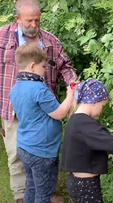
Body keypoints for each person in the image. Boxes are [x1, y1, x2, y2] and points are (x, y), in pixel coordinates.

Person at [0, 0, 77, 202]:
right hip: (12, 108)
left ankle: (41, 192)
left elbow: (65, 67)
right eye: (29, 21)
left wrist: (73, 84)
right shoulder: (2, 37)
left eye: (37, 20)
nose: (34, 25)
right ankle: (21, 195)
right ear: (17, 19)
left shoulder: (51, 41)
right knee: (16, 153)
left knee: (42, 153)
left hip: (44, 108)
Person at [9, 44, 76, 203]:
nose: (45, 69)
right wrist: (70, 95)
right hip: (41, 150)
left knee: (31, 184)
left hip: (24, 146)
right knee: (43, 193)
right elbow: (59, 114)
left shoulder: (15, 89)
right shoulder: (39, 89)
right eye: (43, 66)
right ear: (33, 66)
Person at [60, 79, 113, 203]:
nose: (101, 110)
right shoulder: (85, 124)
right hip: (86, 185)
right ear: (94, 102)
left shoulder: (75, 121)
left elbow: (97, 141)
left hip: (76, 182)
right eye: (102, 105)